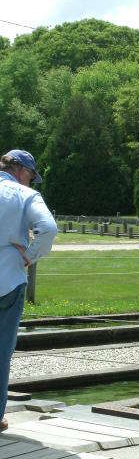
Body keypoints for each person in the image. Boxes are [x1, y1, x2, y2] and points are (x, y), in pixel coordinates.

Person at [0, 150, 57, 431]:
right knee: (1, 352)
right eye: (32, 177)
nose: (31, 183)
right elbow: (48, 228)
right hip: (8, 278)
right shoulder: (25, 196)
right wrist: (29, 256)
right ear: (22, 171)